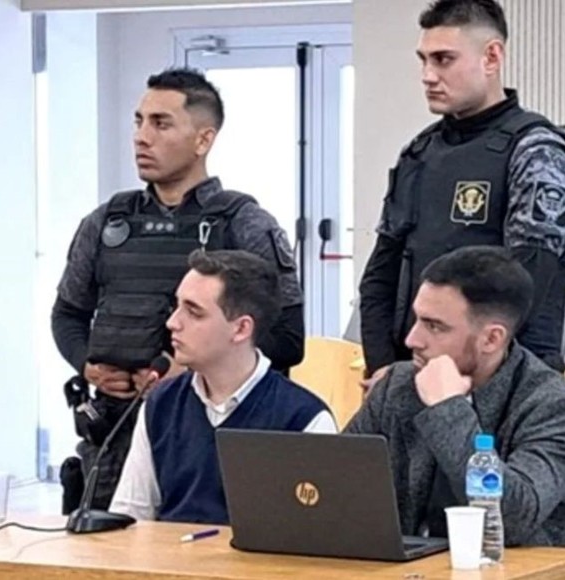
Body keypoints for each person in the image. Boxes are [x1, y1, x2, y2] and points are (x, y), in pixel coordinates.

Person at [52, 68, 304, 510]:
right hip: (111, 435)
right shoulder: (106, 223)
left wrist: (190, 372)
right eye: (139, 121)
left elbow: (287, 339)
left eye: (161, 124)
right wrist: (89, 365)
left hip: (208, 436)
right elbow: (68, 314)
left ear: (203, 139)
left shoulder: (244, 225)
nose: (141, 137)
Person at [359, 0, 565, 391]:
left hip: (505, 385)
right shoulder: (418, 153)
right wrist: (384, 369)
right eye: (423, 60)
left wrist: (471, 387)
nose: (428, 75)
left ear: (492, 57)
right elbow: (379, 277)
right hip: (411, 375)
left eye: (443, 59)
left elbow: (529, 286)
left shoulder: (534, 151)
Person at [347, 246, 565, 544]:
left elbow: (511, 518)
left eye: (434, 326)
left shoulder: (550, 404)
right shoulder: (398, 384)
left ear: (491, 339)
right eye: (417, 319)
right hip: (405, 564)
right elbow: (336, 480)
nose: (412, 339)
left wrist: (447, 409)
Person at [110, 250, 334, 524]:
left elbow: (318, 534)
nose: (172, 323)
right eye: (176, 306)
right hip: (167, 552)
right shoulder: (160, 404)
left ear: (241, 329)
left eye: (193, 312)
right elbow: (128, 518)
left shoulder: (305, 420)